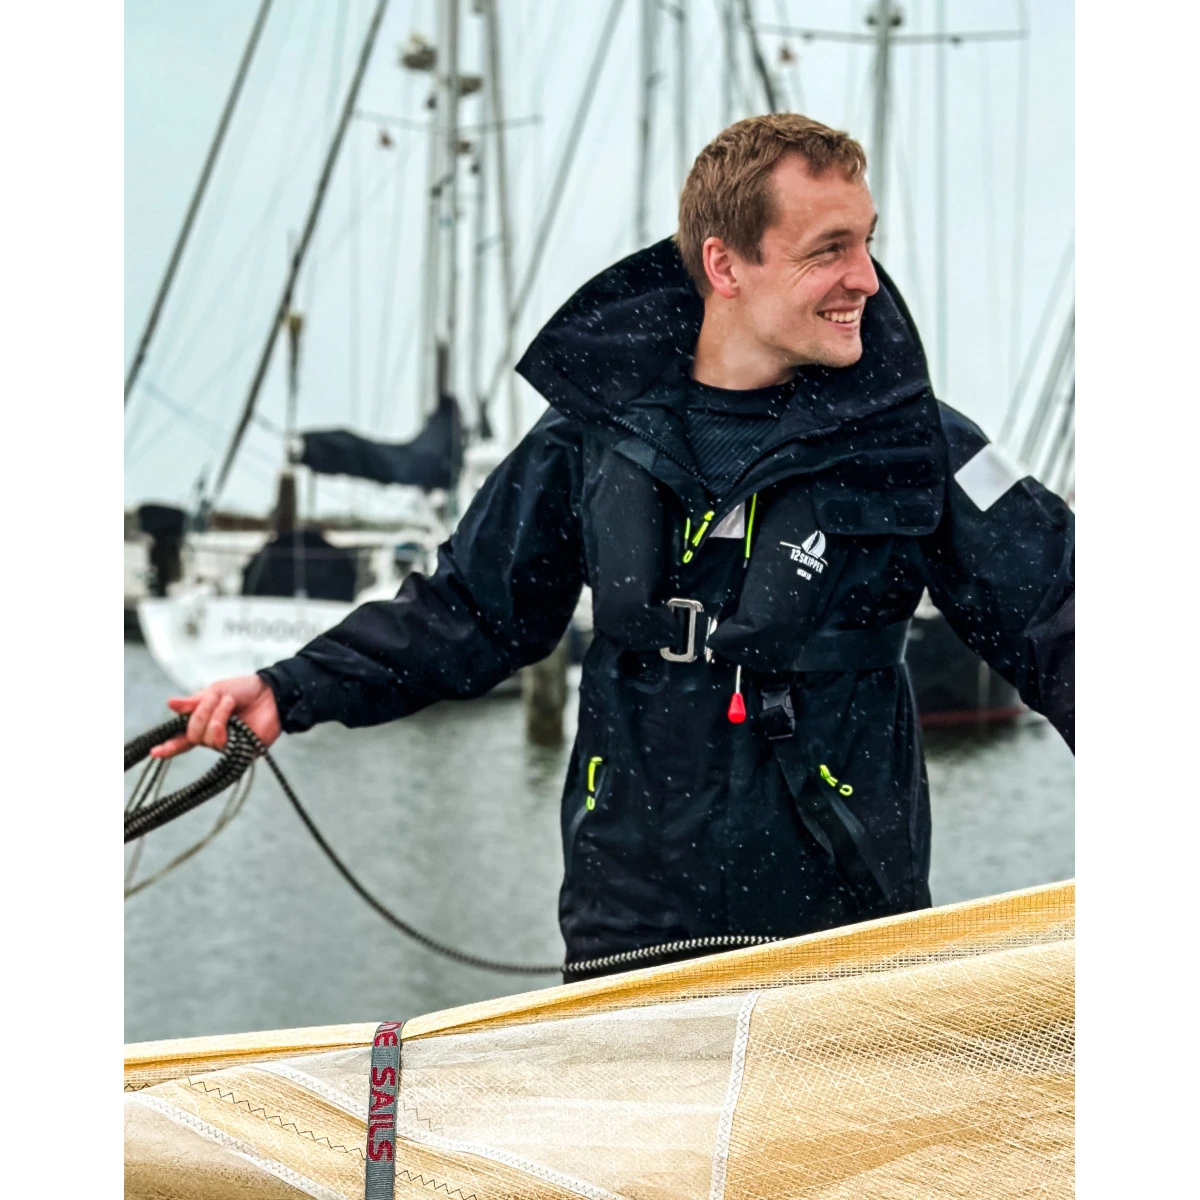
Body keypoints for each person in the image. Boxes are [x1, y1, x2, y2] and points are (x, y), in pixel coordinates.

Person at [153, 114, 1074, 978]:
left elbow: (1064, 617)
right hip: (629, 931)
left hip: (843, 928)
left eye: (866, 241)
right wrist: (289, 688)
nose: (865, 278)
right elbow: (468, 612)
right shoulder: (589, 439)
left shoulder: (916, 445)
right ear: (725, 264)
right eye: (828, 249)